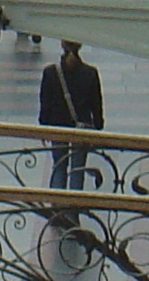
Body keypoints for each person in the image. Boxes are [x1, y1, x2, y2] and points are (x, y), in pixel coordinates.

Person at [39, 41, 105, 194]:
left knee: (59, 165)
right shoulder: (90, 73)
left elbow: (45, 102)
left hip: (57, 126)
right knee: (78, 169)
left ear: (62, 45)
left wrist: (43, 126)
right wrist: (98, 126)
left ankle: (57, 204)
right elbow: (96, 103)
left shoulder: (51, 72)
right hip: (81, 127)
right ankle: (73, 207)